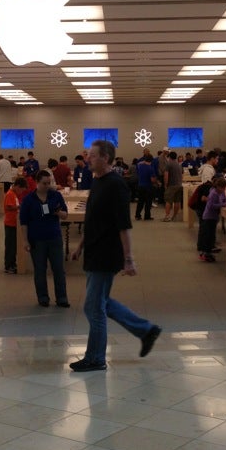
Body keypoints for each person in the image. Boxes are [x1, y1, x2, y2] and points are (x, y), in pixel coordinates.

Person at [70, 139, 161, 372]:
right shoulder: (98, 182)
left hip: (106, 254)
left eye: (92, 155)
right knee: (100, 303)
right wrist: (80, 245)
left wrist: (128, 258)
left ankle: (96, 358)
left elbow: (123, 224)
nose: (88, 158)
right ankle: (146, 330)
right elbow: (92, 220)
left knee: (93, 307)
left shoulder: (116, 185)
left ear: (106, 159)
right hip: (93, 251)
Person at [20, 169, 70, 307]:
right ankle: (43, 297)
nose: (47, 186)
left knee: (59, 269)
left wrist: (58, 212)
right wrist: (25, 240)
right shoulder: (28, 199)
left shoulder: (56, 196)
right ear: (37, 182)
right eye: (44, 183)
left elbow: (65, 215)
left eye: (49, 183)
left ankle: (62, 297)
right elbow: (23, 222)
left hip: (54, 238)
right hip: (37, 240)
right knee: (40, 270)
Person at [197, 176, 226, 262]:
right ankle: (205, 253)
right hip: (208, 216)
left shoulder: (221, 193)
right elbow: (212, 206)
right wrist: (223, 205)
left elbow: (224, 201)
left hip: (214, 217)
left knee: (211, 235)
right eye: (222, 188)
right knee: (207, 235)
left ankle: (209, 252)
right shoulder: (213, 193)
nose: (223, 190)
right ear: (218, 186)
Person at [3, 178, 28, 274]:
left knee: (14, 245)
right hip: (10, 223)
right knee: (10, 246)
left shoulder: (14, 194)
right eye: (21, 190)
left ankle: (12, 264)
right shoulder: (10, 194)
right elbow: (9, 207)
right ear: (17, 186)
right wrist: (20, 207)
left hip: (14, 223)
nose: (21, 192)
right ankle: (8, 266)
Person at [162, 150, 183, 221]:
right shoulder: (178, 164)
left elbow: (166, 175)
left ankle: (167, 216)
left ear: (169, 157)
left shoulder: (168, 164)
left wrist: (165, 184)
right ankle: (174, 216)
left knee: (168, 201)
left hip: (172, 185)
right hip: (179, 184)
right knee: (177, 201)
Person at [135, 152, 155, 220]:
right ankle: (147, 216)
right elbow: (152, 180)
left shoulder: (140, 166)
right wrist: (156, 182)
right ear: (151, 160)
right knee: (148, 202)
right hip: (148, 187)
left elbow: (138, 164)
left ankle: (137, 215)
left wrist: (143, 161)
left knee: (140, 202)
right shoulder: (151, 168)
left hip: (140, 186)